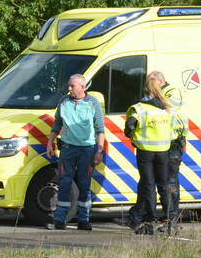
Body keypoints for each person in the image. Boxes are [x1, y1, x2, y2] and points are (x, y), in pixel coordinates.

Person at [121, 73, 184, 235]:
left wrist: (132, 136)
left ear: (146, 88)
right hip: (164, 151)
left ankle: (148, 223)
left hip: (146, 152)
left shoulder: (140, 107)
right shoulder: (167, 108)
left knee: (148, 186)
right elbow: (174, 128)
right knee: (165, 186)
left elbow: (129, 126)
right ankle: (171, 221)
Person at [45, 74, 106, 230]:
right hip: (68, 148)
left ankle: (84, 220)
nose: (69, 89)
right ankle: (60, 219)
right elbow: (57, 123)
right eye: (69, 85)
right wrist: (50, 142)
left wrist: (99, 150)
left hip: (87, 149)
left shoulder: (93, 103)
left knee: (84, 185)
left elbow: (100, 130)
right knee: (64, 183)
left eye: (72, 86)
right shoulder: (64, 101)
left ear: (82, 87)